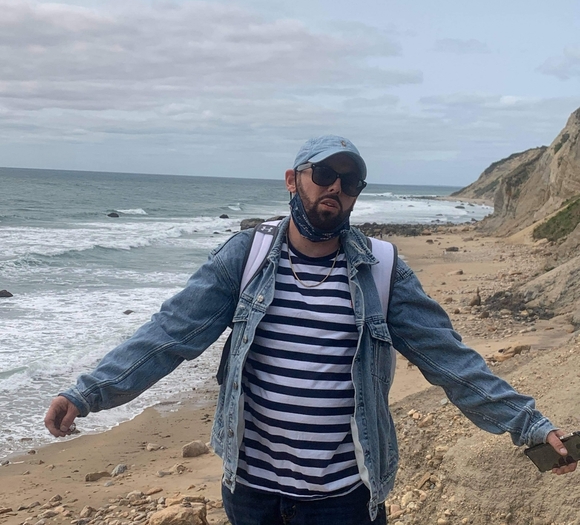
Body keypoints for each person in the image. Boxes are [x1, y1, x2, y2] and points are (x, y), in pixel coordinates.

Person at [45, 135, 576, 525]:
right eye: (324, 174)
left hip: (345, 498)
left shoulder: (383, 270)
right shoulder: (245, 257)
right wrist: (87, 393)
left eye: (350, 182)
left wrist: (528, 424)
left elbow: (450, 361)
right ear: (292, 179)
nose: (336, 189)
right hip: (251, 492)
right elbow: (169, 335)